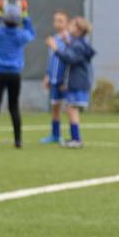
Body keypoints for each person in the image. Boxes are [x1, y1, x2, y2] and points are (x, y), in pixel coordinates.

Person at [0, 0, 36, 150]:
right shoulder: (21, 35)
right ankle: (18, 141)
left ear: (3, 19)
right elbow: (31, 32)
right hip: (15, 74)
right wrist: (25, 12)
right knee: (14, 106)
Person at [46, 16, 94, 148]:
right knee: (70, 108)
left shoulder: (78, 45)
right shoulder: (76, 43)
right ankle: (74, 138)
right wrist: (67, 43)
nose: (69, 27)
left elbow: (70, 58)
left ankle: (76, 140)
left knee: (72, 109)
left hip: (78, 83)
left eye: (72, 25)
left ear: (79, 30)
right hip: (75, 82)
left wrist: (56, 48)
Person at [39, 10, 71, 144]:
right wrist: (48, 75)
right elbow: (51, 59)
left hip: (65, 80)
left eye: (60, 21)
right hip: (54, 79)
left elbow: (69, 58)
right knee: (55, 107)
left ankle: (73, 136)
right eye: (55, 20)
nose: (57, 23)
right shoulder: (53, 39)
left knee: (70, 108)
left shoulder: (69, 39)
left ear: (67, 23)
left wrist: (66, 80)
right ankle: (55, 135)